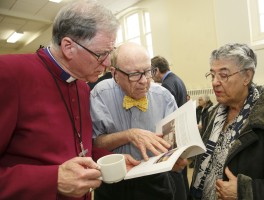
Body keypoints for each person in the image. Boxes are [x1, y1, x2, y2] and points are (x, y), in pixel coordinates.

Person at [0, 1, 140, 199]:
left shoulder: (82, 87)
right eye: (102, 54)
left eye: (111, 52)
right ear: (68, 47)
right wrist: (52, 179)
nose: (109, 63)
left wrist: (109, 160)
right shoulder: (9, 73)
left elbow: (76, 150)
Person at [190, 43, 264, 200]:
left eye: (224, 75)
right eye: (212, 75)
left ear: (247, 76)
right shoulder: (212, 115)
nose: (214, 82)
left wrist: (247, 191)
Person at [90, 42, 187, 200]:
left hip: (156, 182)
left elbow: (175, 143)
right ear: (114, 74)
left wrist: (177, 157)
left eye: (148, 71)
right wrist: (129, 135)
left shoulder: (164, 97)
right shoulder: (100, 95)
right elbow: (95, 144)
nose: (144, 81)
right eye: (134, 74)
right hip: (113, 184)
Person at [151, 55, 189, 200]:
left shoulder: (166, 85)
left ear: (156, 70)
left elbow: (165, 116)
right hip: (181, 130)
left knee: (174, 177)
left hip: (172, 133)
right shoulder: (177, 79)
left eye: (150, 72)